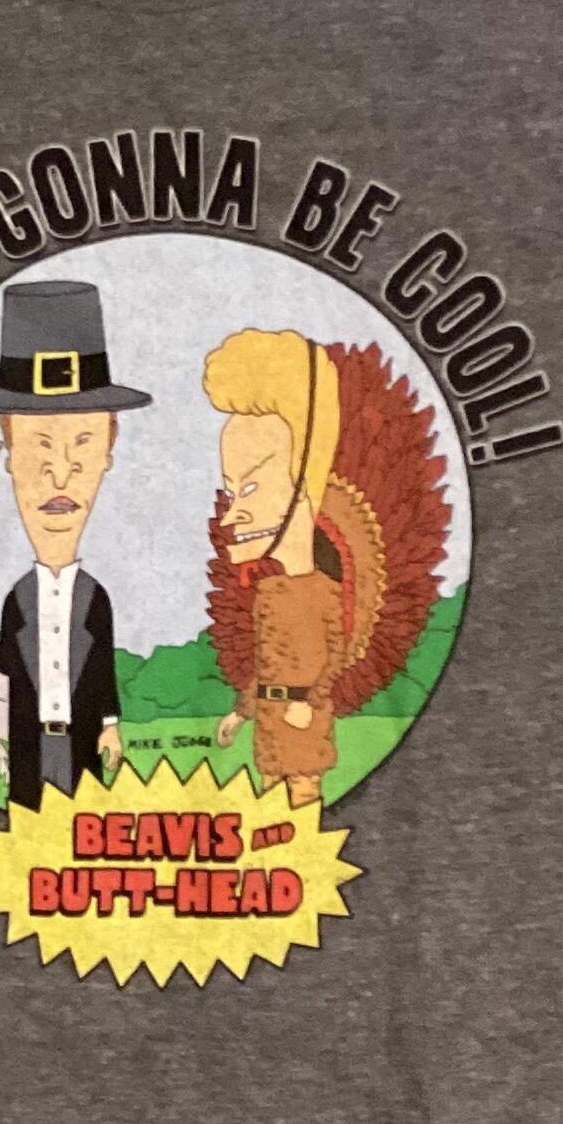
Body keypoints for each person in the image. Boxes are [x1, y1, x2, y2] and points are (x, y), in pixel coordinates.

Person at [0, 276, 150, 806]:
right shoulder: (18, 596)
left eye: (82, 441)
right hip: (28, 743)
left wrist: (110, 725)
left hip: (82, 743)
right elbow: (13, 665)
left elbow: (102, 668)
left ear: (110, 442)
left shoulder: (95, 597)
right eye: (40, 443)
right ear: (8, 445)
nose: (60, 473)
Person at [204, 327, 347, 805]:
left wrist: (308, 701)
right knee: (271, 809)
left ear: (301, 485)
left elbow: (333, 654)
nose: (231, 516)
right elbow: (267, 668)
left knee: (303, 807)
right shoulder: (268, 592)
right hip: (268, 728)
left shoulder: (322, 591)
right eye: (231, 492)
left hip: (303, 726)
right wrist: (242, 712)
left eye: (249, 489)